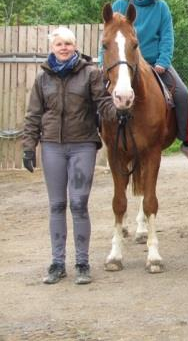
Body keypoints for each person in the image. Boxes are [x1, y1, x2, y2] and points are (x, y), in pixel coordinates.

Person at [22, 27, 118, 285]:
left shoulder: (90, 74)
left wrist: (116, 110)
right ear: (52, 48)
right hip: (52, 145)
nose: (64, 48)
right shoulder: (43, 79)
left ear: (75, 46)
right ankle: (57, 263)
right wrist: (29, 146)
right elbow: (33, 115)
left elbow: (103, 102)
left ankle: (82, 262)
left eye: (68, 44)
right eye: (59, 44)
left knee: (78, 203)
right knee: (56, 205)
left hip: (82, 145)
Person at [109, 0, 188, 161]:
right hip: (124, 65)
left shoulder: (161, 7)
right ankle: (96, 135)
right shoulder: (119, 5)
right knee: (96, 94)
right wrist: (105, 63)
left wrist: (163, 62)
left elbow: (167, 36)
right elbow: (110, 36)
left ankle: (187, 140)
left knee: (182, 95)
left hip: (155, 64)